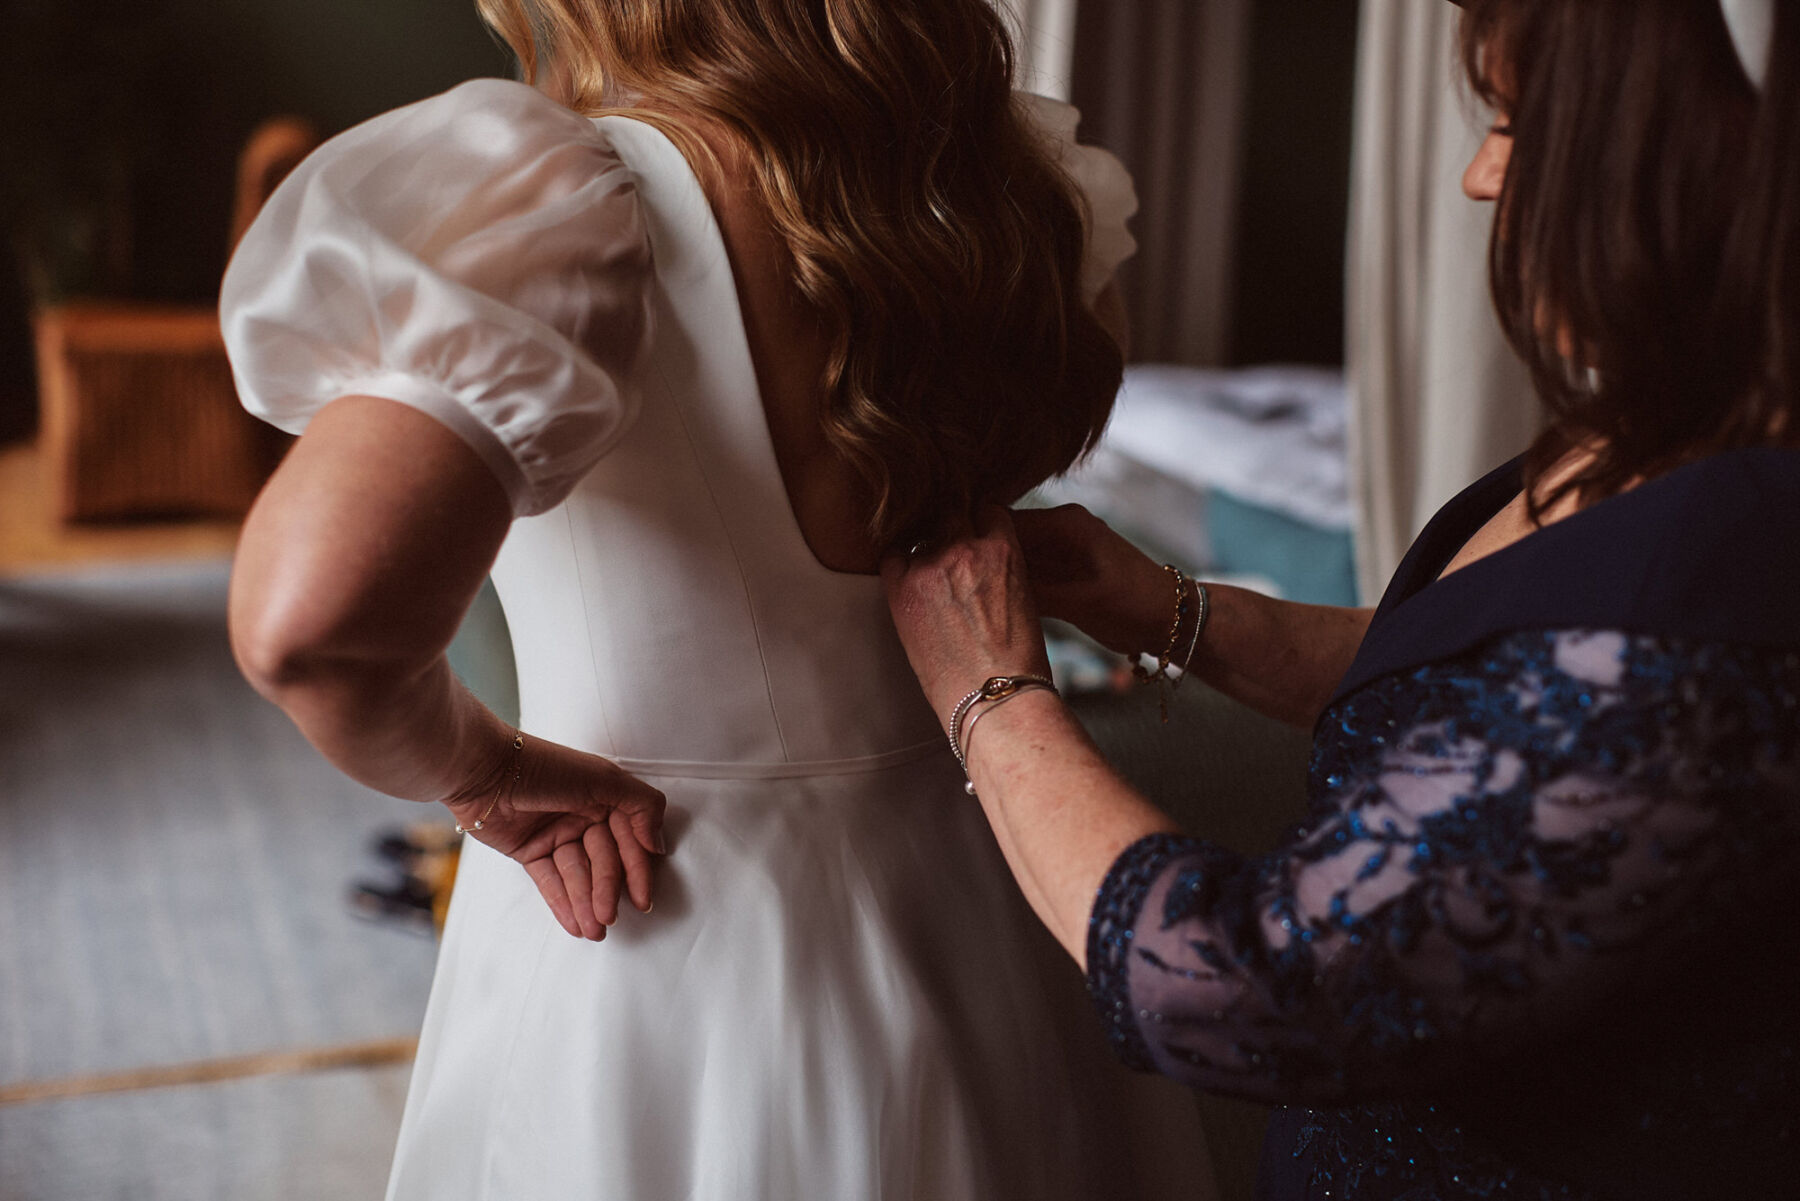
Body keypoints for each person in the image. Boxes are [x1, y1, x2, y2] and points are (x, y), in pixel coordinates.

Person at [220, 1, 1218, 1198]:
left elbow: (310, 629)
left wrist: (481, 769)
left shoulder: (564, 209)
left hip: (653, 903)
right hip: (991, 877)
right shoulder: (1010, 196)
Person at [884, 0, 1800, 1198]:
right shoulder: (1674, 430)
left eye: (1516, 127)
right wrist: (1169, 608)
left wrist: (990, 696)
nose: (1479, 178)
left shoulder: (1722, 596)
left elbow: (1242, 988)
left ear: (1702, 162)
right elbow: (1481, 679)